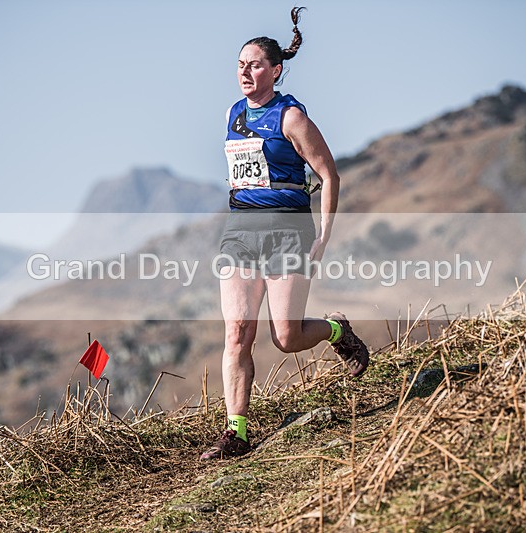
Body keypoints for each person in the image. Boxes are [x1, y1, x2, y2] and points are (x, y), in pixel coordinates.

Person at [200, 7, 369, 461]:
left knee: (287, 339)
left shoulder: (290, 117)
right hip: (240, 231)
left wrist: (324, 236)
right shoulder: (233, 112)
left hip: (289, 233)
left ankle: (337, 330)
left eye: (255, 65)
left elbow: (329, 175)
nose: (245, 72)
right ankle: (236, 432)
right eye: (240, 65)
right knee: (237, 332)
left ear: (275, 70)